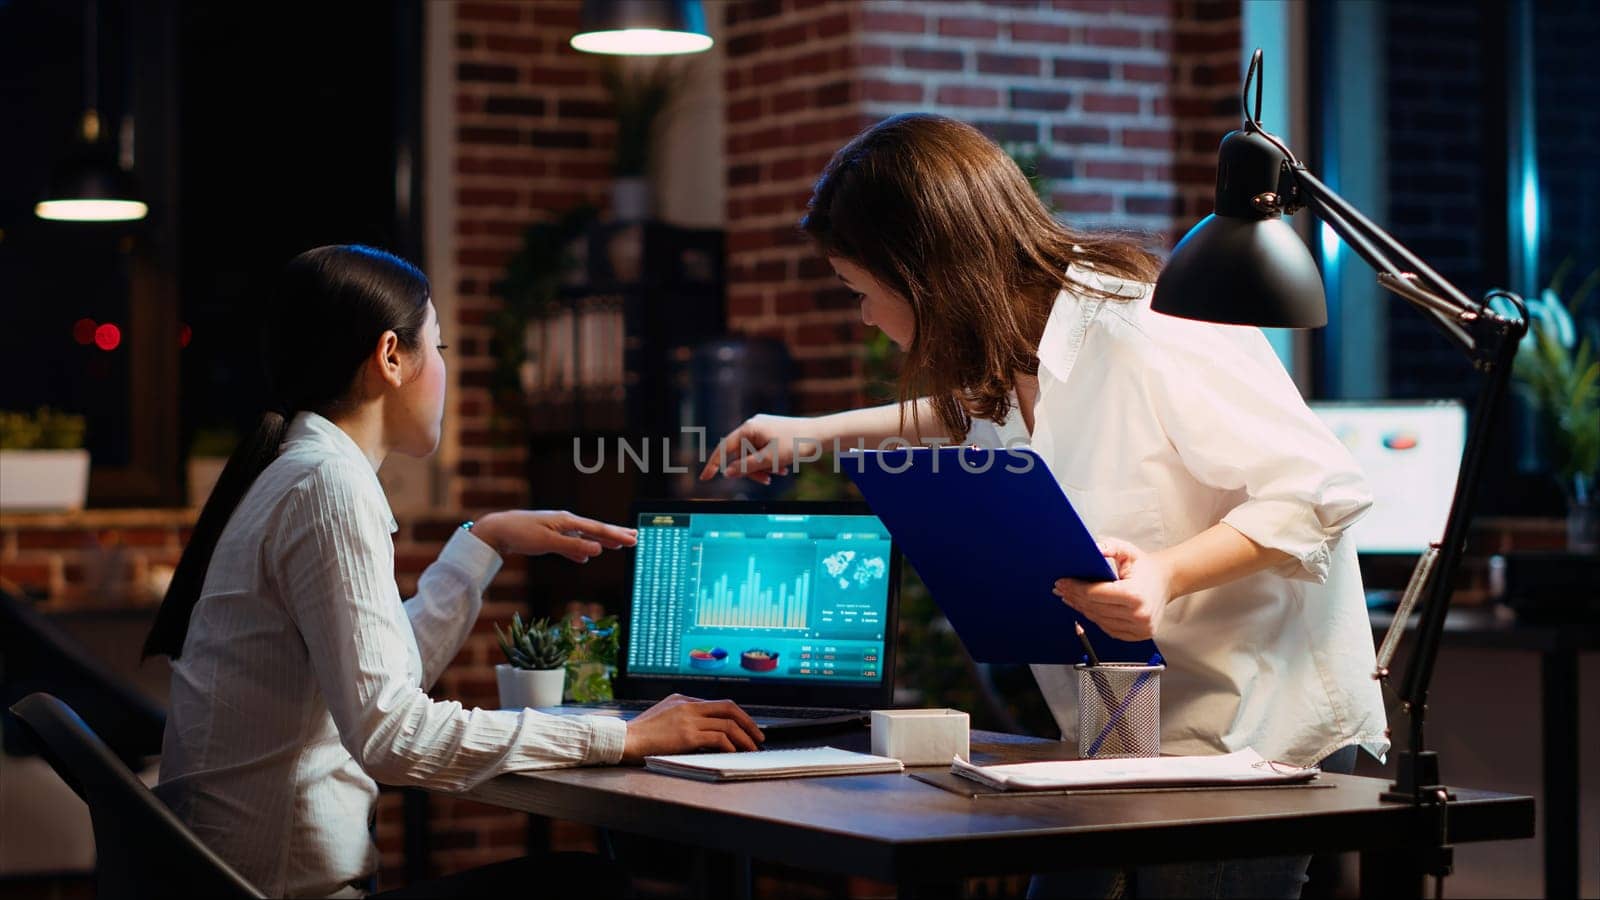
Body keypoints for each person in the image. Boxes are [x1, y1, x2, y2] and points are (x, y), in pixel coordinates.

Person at [699, 114, 1387, 899]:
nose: (863, 317)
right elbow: (983, 405)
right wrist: (817, 432)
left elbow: (1321, 488)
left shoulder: (1147, 325)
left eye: (862, 293)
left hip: (1247, 730)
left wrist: (1164, 574)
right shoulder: (1023, 341)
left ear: (926, 275)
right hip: (1122, 735)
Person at [143, 245, 763, 898]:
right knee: (589, 886)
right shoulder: (328, 485)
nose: (444, 369)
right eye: (438, 348)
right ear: (390, 357)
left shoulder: (303, 468)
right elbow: (392, 733)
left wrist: (483, 540)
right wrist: (624, 736)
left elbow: (383, 680)